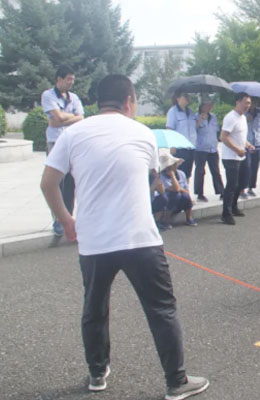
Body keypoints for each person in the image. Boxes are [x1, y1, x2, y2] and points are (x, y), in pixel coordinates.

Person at [39, 74, 209, 399]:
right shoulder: (143, 134)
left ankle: (97, 373)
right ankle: (176, 381)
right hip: (140, 240)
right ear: (129, 102)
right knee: (161, 309)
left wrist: (67, 221)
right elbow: (148, 174)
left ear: (98, 102)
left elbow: (48, 183)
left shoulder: (73, 134)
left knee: (94, 309)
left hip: (94, 241)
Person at [41, 65, 84, 237]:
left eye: (73, 79)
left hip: (72, 143)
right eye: (68, 79)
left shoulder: (74, 97)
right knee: (56, 182)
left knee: (70, 183)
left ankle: (69, 217)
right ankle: (58, 220)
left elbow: (80, 118)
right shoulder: (48, 95)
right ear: (59, 79)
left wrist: (60, 119)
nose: (71, 83)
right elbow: (57, 117)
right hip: (55, 143)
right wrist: (69, 117)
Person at [220, 92, 254, 225]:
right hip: (230, 157)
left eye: (249, 103)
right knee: (232, 185)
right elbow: (223, 137)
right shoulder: (230, 117)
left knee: (243, 182)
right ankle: (226, 213)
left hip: (241, 155)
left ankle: (234, 206)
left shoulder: (243, 118)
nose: (247, 106)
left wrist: (247, 145)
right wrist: (236, 149)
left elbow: (240, 136)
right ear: (238, 102)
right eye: (245, 103)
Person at [193, 98, 224, 202]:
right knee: (200, 171)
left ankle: (221, 191)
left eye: (210, 105)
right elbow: (193, 130)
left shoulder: (213, 117)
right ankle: (199, 193)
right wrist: (200, 121)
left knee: (216, 170)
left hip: (213, 148)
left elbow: (216, 130)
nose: (209, 107)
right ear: (202, 106)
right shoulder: (195, 117)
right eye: (207, 105)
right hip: (200, 148)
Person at [158, 151, 198, 228]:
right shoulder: (162, 176)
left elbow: (186, 189)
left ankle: (189, 218)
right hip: (169, 202)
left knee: (185, 196)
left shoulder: (181, 173)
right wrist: (172, 176)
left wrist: (186, 193)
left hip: (180, 200)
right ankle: (166, 219)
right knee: (176, 194)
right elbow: (175, 189)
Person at [166, 92, 198, 182]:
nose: (187, 98)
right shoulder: (173, 111)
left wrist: (201, 119)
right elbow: (170, 128)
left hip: (190, 147)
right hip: (179, 147)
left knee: (187, 173)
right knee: (178, 173)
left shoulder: (190, 112)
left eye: (188, 96)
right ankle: (178, 190)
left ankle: (186, 189)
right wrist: (172, 146)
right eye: (185, 96)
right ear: (178, 98)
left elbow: (194, 127)